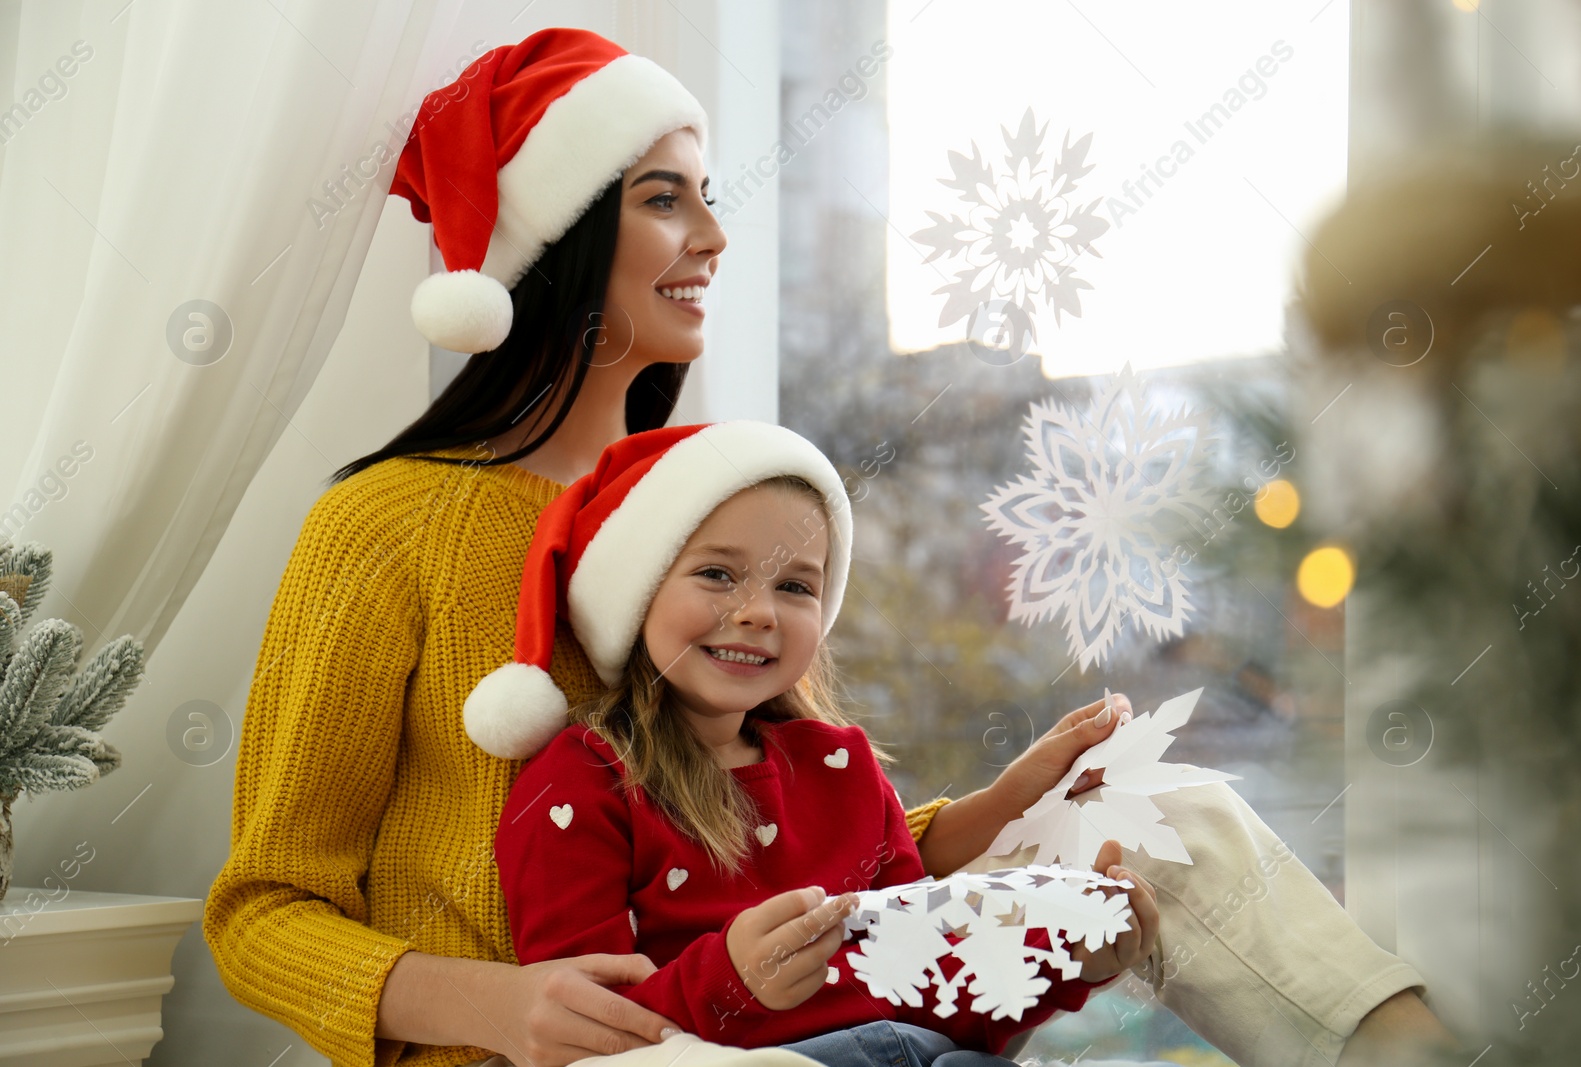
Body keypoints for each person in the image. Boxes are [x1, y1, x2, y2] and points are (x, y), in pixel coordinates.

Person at [203, 24, 1451, 1067]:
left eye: (707, 193)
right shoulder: (385, 524)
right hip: (592, 1049)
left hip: (776, 1004)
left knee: (1166, 804)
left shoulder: (715, 508)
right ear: (558, 240)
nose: (714, 234)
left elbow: (781, 847)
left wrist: (1011, 811)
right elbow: (263, 910)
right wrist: (497, 1004)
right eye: (662, 198)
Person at [463, 420, 1160, 1067]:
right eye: (716, 573)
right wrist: (730, 981)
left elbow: (933, 994)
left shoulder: (842, 767)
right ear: (637, 591)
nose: (758, 611)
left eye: (795, 585)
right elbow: (585, 1039)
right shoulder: (581, 784)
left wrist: (1063, 963)